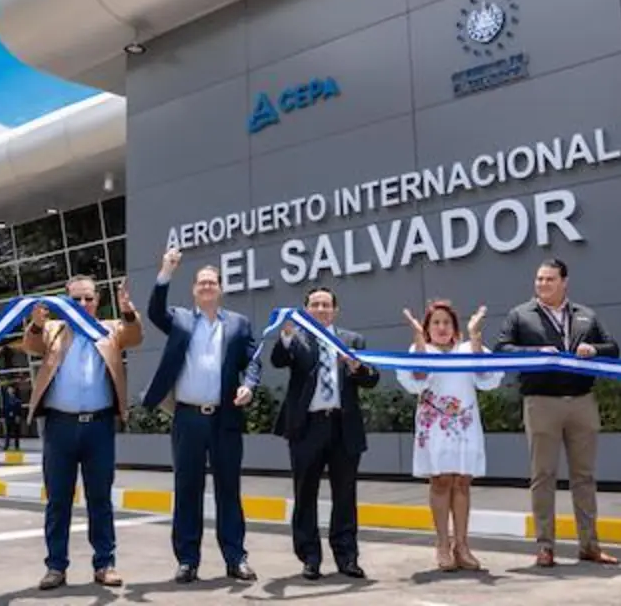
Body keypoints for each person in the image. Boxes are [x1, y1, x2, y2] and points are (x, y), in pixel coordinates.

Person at [494, 258, 620, 567]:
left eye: (549, 279)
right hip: (541, 403)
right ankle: (545, 546)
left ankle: (589, 544)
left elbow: (613, 348)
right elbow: (501, 349)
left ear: (565, 282)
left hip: (581, 401)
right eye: (539, 279)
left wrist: (595, 350)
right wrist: (535, 353)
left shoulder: (586, 316)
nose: (542, 284)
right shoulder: (520, 315)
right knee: (543, 475)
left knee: (584, 477)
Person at [143, 247, 259, 583]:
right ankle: (187, 560)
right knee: (187, 488)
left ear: (220, 289)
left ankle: (236, 558)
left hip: (225, 419)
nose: (207, 287)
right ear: (194, 289)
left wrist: (249, 385)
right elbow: (154, 311)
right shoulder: (179, 318)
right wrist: (166, 270)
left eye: (212, 283)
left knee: (228, 490)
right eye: (201, 283)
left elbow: (253, 360)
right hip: (188, 418)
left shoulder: (238, 323)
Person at [21, 274, 143, 591]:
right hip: (60, 427)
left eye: (88, 298)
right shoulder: (54, 329)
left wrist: (128, 311)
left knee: (100, 499)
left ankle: (105, 564)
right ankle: (55, 567)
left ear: (97, 300)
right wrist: (35, 323)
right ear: (65, 301)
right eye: (75, 299)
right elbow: (30, 345)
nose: (82, 304)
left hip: (99, 427)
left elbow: (134, 336)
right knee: (58, 501)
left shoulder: (111, 329)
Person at [270, 286, 380, 580]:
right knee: (305, 494)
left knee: (345, 495)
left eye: (326, 304)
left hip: (344, 427)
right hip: (307, 427)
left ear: (335, 310)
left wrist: (357, 368)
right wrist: (287, 335)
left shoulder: (351, 340)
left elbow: (372, 378)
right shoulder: (298, 340)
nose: (321, 309)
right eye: (315, 304)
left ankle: (347, 557)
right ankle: (310, 557)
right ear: (306, 310)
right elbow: (277, 360)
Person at [396, 300, 502, 571]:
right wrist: (418, 339)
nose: (442, 328)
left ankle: (462, 545)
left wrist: (476, 334)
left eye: (446, 322)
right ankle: (442, 545)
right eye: (435, 323)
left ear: (455, 327)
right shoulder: (422, 349)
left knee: (462, 482)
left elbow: (485, 376)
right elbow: (418, 377)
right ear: (427, 327)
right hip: (434, 427)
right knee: (441, 481)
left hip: (464, 424)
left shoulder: (468, 349)